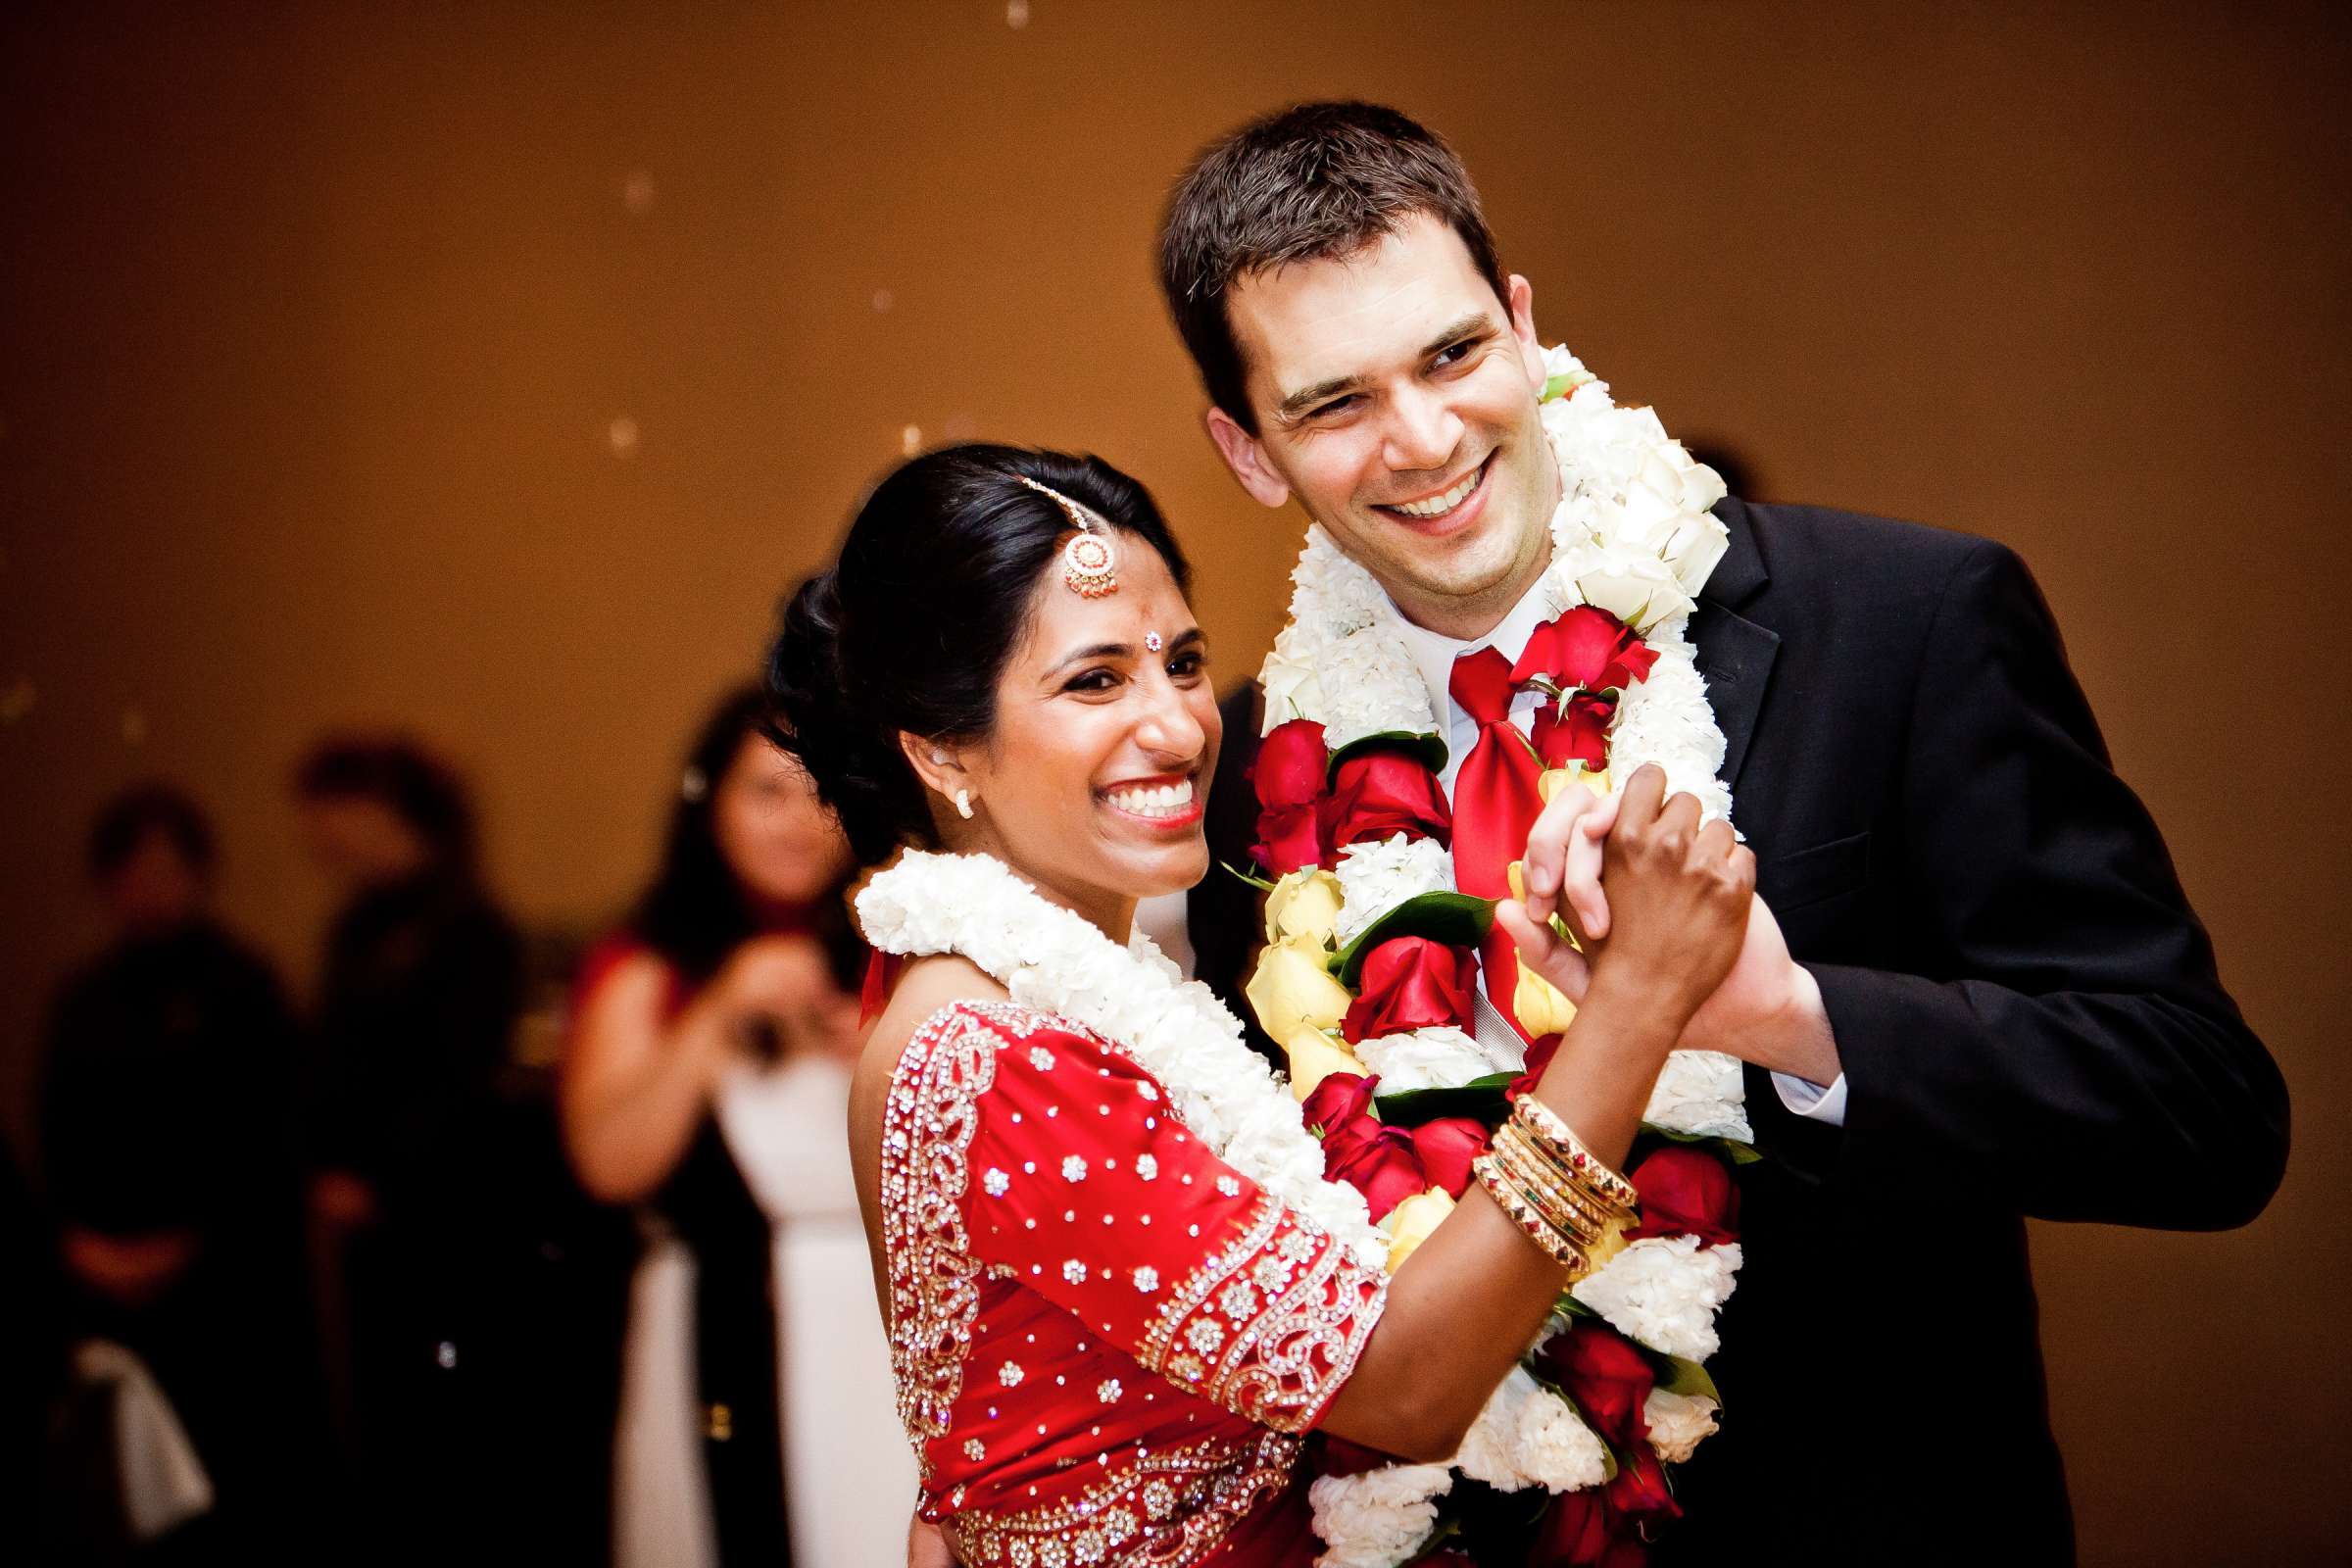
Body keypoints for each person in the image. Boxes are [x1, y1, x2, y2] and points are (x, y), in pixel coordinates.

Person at [1152, 102, 2289, 1563]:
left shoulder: (1898, 625)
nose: (1425, 439)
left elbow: (2205, 1116)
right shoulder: (1250, 775)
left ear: (1519, 319)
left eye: (1451, 355)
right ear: (1249, 451)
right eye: (1334, 404)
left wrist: (1797, 1022)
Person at [769, 443, 1760, 1565]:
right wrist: (1635, 1008)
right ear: (944, 750)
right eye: (1095, 681)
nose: (1182, 727)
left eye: (1182, 662)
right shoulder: (1000, 1052)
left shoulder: (1020, 992)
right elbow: (1403, 1384)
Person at [561, 686, 914, 1565]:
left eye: (820, 794)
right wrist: (718, 1010)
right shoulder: (650, 964)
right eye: (766, 792)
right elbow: (609, 1166)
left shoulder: (893, 949)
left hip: (876, 1330)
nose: (798, 821)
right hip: (721, 1321)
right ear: (708, 801)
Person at [35, 783, 321, 1558]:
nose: (151, 890)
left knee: (233, 1490)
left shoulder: (244, 989)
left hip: (228, 1294)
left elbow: (268, 1139)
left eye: (168, 869)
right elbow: (55, 1133)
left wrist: (188, 1246)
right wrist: (79, 1244)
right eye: (134, 871)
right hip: (108, 1284)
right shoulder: (84, 999)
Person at [293, 736, 526, 1556]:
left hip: (444, 1225)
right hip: (364, 1223)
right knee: (374, 1421)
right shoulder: (358, 926)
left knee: (442, 1432)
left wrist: (380, 1180)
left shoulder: (466, 930)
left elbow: (462, 1091)